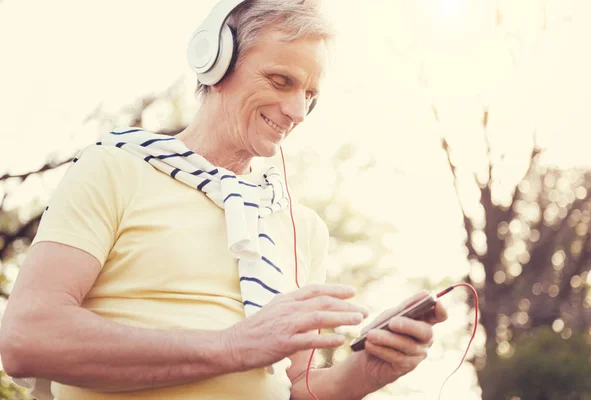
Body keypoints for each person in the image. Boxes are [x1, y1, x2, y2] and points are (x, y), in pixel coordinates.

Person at [0, 1, 448, 399]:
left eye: (309, 95)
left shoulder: (301, 228)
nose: (296, 111)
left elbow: (298, 387)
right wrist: (234, 347)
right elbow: (26, 337)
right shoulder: (115, 168)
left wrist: (363, 375)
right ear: (216, 63)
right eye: (280, 80)